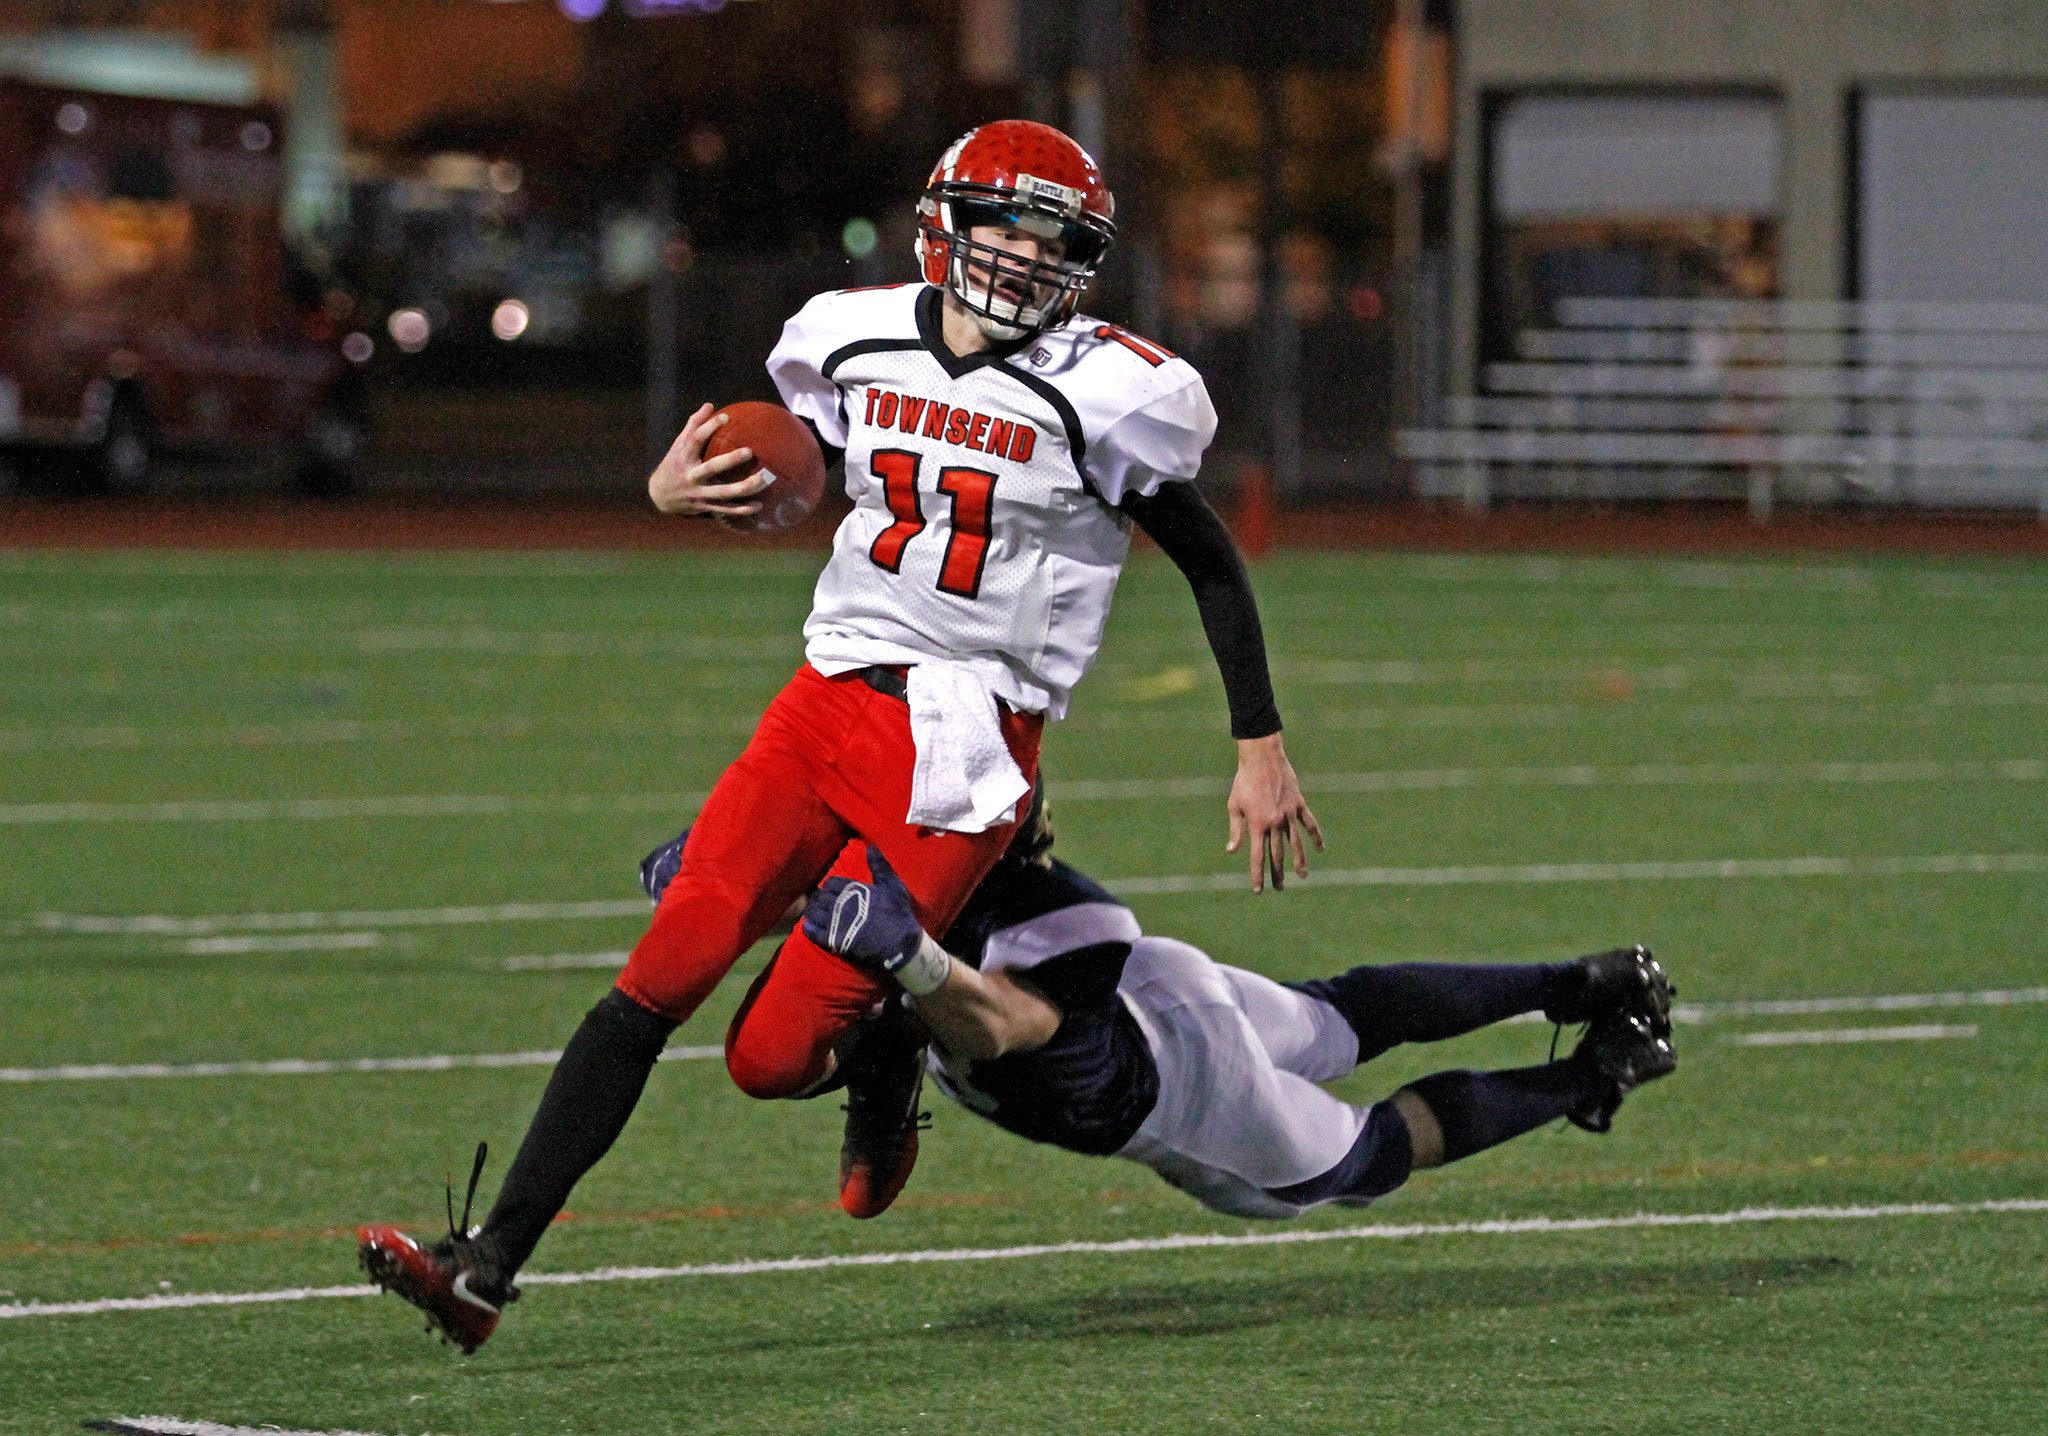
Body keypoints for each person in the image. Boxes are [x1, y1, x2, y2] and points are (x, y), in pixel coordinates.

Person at [356, 119, 1318, 1353]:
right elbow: (809, 465)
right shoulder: (846, 335)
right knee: (662, 969)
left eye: (1053, 241)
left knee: (763, 1060)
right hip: (825, 701)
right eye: (1002, 228)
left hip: (966, 750)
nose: (1023, 260)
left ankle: (884, 1045)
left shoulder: (1111, 390)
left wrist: (1259, 741)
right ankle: (484, 1264)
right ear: (943, 224)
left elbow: (1211, 559)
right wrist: (676, 490)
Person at [796, 801, 1677, 1222]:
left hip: (1181, 1091)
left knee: (1365, 1156)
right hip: (1163, 984)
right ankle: (1576, 981)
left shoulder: (954, 996)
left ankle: (1601, 1068)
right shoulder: (953, 888)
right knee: (1337, 1017)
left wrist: (903, 957)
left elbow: (990, 1022)